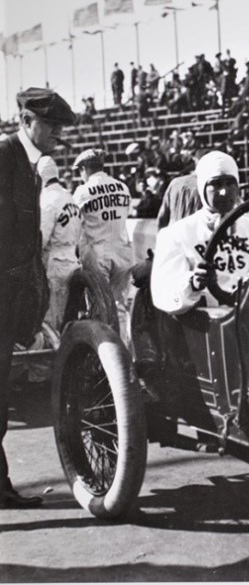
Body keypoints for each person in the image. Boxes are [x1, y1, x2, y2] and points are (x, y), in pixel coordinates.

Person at [0, 87, 75, 508]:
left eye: (60, 128)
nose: (56, 134)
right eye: (50, 126)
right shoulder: (4, 155)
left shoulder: (27, 163)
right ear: (26, 122)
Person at [151, 151, 249, 314]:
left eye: (230, 183)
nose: (224, 191)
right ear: (202, 187)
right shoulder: (176, 235)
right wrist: (192, 283)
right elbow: (163, 295)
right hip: (204, 326)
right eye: (216, 184)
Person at [72, 148, 134, 335]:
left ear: (85, 169)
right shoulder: (122, 187)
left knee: (98, 309)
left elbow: (75, 224)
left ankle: (103, 358)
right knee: (120, 307)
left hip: (97, 252)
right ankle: (122, 353)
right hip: (123, 250)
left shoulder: (83, 191)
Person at [38, 156, 81, 330]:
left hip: (54, 264)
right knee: (69, 317)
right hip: (72, 259)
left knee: (51, 320)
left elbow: (41, 239)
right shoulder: (68, 196)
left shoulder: (48, 200)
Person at [157, 148, 208, 230]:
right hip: (196, 236)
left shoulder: (175, 182)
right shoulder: (208, 186)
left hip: (174, 234)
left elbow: (162, 217)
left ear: (195, 160)